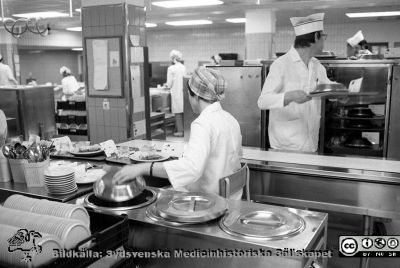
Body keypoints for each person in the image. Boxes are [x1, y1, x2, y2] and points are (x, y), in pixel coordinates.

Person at [113, 66, 244, 200]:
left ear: (196, 95)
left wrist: (141, 168)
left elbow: (191, 169)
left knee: (155, 198)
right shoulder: (230, 119)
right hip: (231, 198)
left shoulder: (203, 124)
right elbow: (235, 157)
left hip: (208, 201)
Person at [257, 13, 332, 153]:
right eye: (323, 36)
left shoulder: (318, 66)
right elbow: (262, 101)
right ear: (316, 37)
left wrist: (339, 93)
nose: (324, 41)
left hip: (311, 145)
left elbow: (327, 89)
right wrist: (289, 96)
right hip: (285, 148)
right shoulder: (281, 65)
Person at [165, 50, 186, 137]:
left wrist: (166, 85)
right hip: (183, 93)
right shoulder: (183, 67)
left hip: (176, 93)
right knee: (183, 113)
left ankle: (180, 131)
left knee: (177, 113)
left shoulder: (171, 68)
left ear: (173, 58)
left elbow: (169, 84)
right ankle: (184, 130)